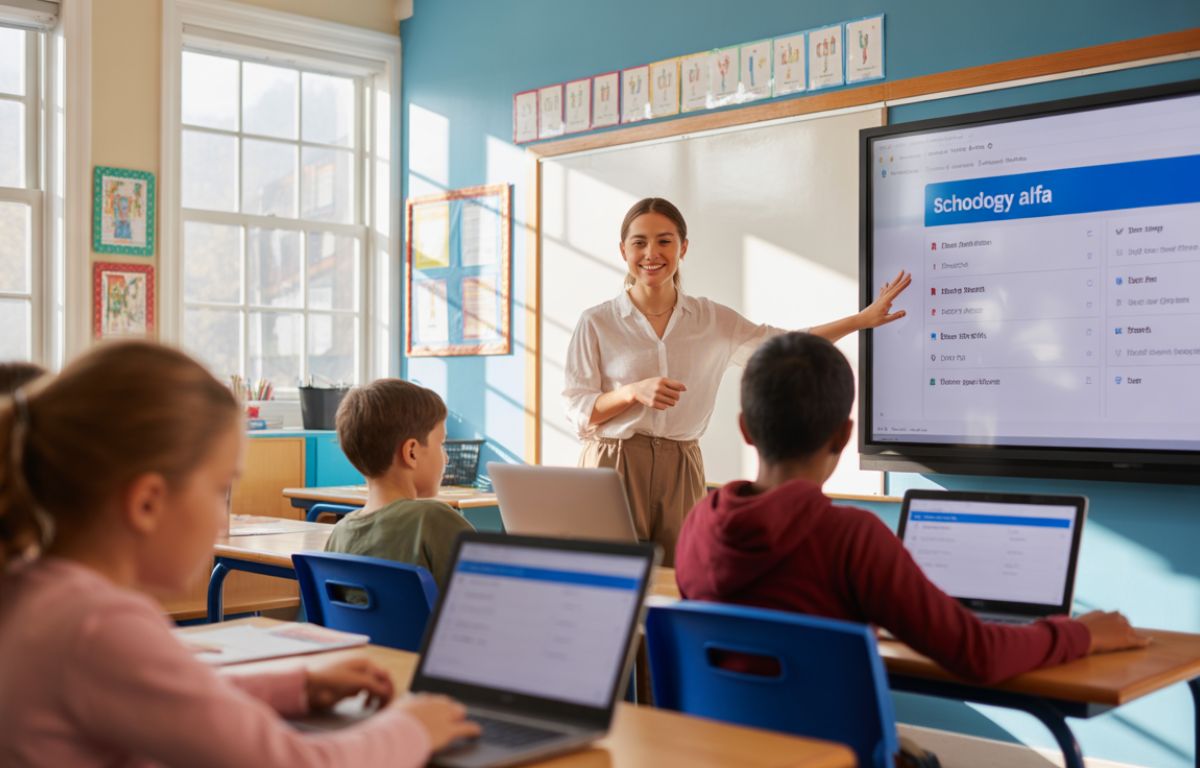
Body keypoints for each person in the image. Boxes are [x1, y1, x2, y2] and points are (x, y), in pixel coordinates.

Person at [0, 342, 479, 766]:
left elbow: (177, 704)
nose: (223, 515)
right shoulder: (99, 626)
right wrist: (415, 727)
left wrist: (297, 688)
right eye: (220, 489)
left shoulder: (36, 592)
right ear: (146, 503)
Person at [675, 332, 1148, 684]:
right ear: (844, 435)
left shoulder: (698, 523)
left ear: (745, 429)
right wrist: (1081, 634)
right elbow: (977, 654)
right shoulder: (849, 538)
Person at [563, 196, 911, 564]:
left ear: (683, 247)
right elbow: (577, 407)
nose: (652, 252)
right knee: (604, 578)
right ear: (623, 250)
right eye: (639, 242)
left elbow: (785, 344)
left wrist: (860, 320)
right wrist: (632, 393)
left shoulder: (712, 319)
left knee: (682, 578)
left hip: (681, 463)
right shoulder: (596, 322)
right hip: (613, 462)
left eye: (664, 241)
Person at [324, 379, 474, 592]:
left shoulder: (339, 534)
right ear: (411, 452)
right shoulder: (433, 519)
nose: (446, 459)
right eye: (441, 444)